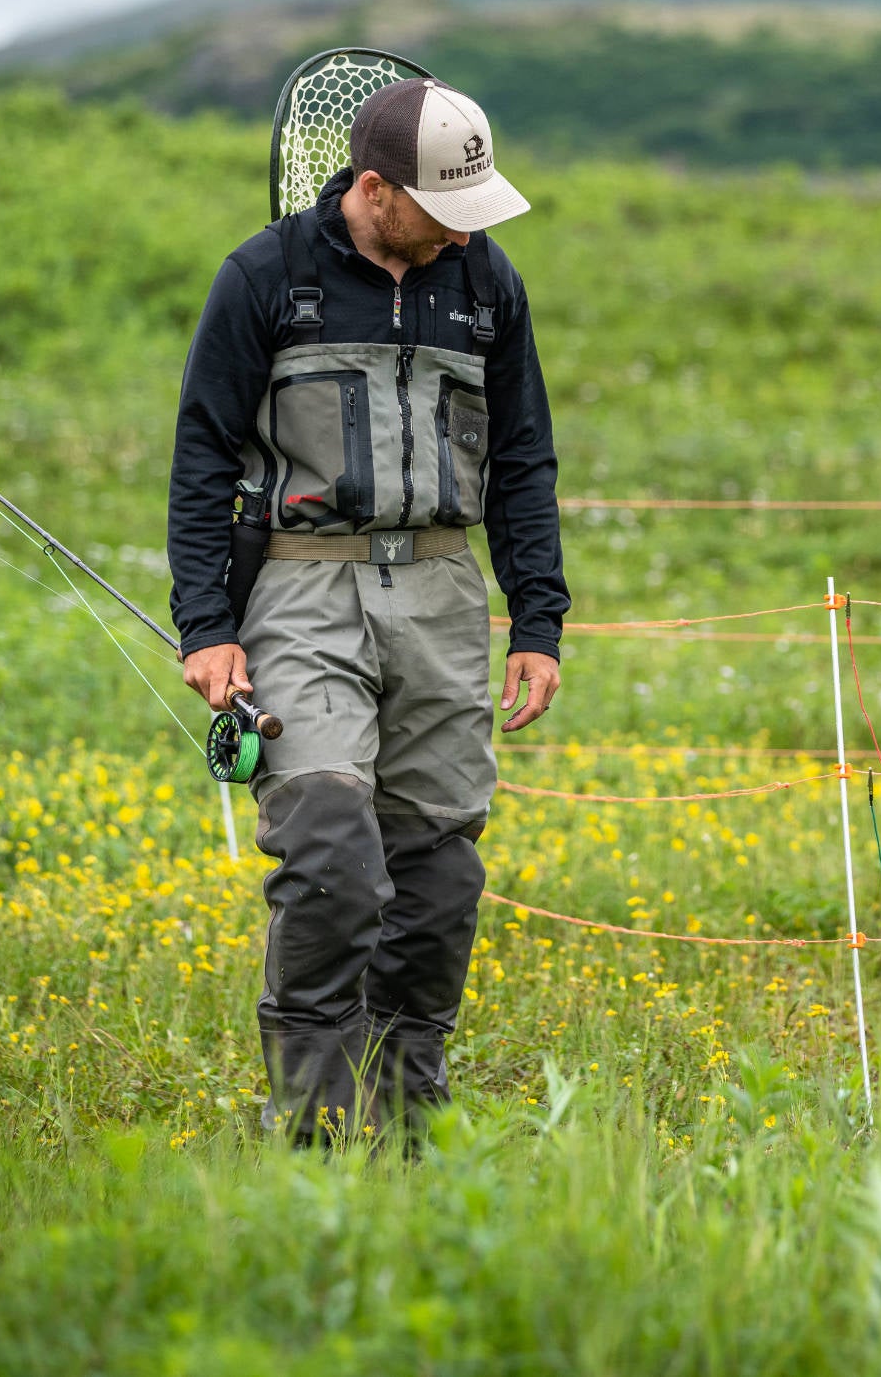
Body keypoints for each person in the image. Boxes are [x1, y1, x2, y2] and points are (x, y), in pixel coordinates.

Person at [165, 77, 569, 1144]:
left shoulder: (486, 282)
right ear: (376, 189)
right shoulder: (264, 277)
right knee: (332, 848)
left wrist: (538, 621)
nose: (461, 235)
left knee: (440, 881)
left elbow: (523, 457)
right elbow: (202, 451)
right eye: (445, 212)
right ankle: (310, 1126)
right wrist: (205, 623)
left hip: (442, 594)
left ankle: (408, 1122)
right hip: (302, 587)